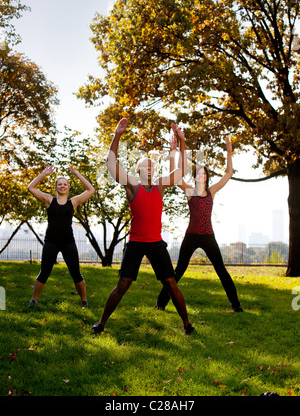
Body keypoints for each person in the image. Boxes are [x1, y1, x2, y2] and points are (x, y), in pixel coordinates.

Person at [92, 118, 194, 335]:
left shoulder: (160, 185)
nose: (149, 168)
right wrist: (117, 135)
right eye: (144, 166)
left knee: (171, 283)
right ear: (137, 171)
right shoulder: (132, 185)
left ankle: (187, 325)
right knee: (123, 284)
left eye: (152, 166)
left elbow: (182, 170)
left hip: (156, 243)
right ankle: (101, 323)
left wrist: (182, 143)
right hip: (136, 243)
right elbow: (111, 165)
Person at [156, 136, 243, 313]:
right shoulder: (189, 191)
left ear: (206, 176)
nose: (201, 176)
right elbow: (175, 176)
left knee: (221, 271)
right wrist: (173, 152)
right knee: (178, 271)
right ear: (195, 176)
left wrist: (229, 151)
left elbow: (228, 173)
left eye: (204, 173)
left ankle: (236, 306)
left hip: (208, 236)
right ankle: (160, 304)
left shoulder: (212, 191)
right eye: (198, 173)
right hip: (191, 236)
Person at [27, 165, 95, 307]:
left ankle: (84, 301)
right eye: (60, 184)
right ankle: (33, 300)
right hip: (51, 242)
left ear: (68, 187)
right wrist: (43, 174)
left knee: (76, 273)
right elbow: (31, 188)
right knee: (44, 272)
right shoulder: (48, 200)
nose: (62, 186)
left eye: (65, 184)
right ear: (56, 187)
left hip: (68, 242)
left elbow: (91, 190)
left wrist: (77, 174)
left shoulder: (74, 202)